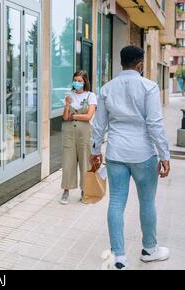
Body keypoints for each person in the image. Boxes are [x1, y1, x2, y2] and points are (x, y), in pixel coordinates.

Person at [91, 45, 171, 270]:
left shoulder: (107, 88)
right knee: (147, 202)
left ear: (121, 63)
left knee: (116, 202)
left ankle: (118, 257)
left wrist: (95, 152)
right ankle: (149, 250)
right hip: (143, 154)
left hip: (116, 153)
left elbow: (99, 125)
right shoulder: (149, 86)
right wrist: (164, 155)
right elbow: (154, 123)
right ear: (140, 64)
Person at [60, 71, 97, 205]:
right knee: (68, 162)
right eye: (75, 80)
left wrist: (73, 116)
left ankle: (84, 190)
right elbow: (65, 118)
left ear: (85, 82)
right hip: (69, 133)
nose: (77, 83)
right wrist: (67, 105)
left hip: (85, 134)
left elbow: (88, 117)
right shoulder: (69, 96)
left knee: (85, 162)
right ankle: (66, 191)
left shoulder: (91, 96)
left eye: (79, 80)